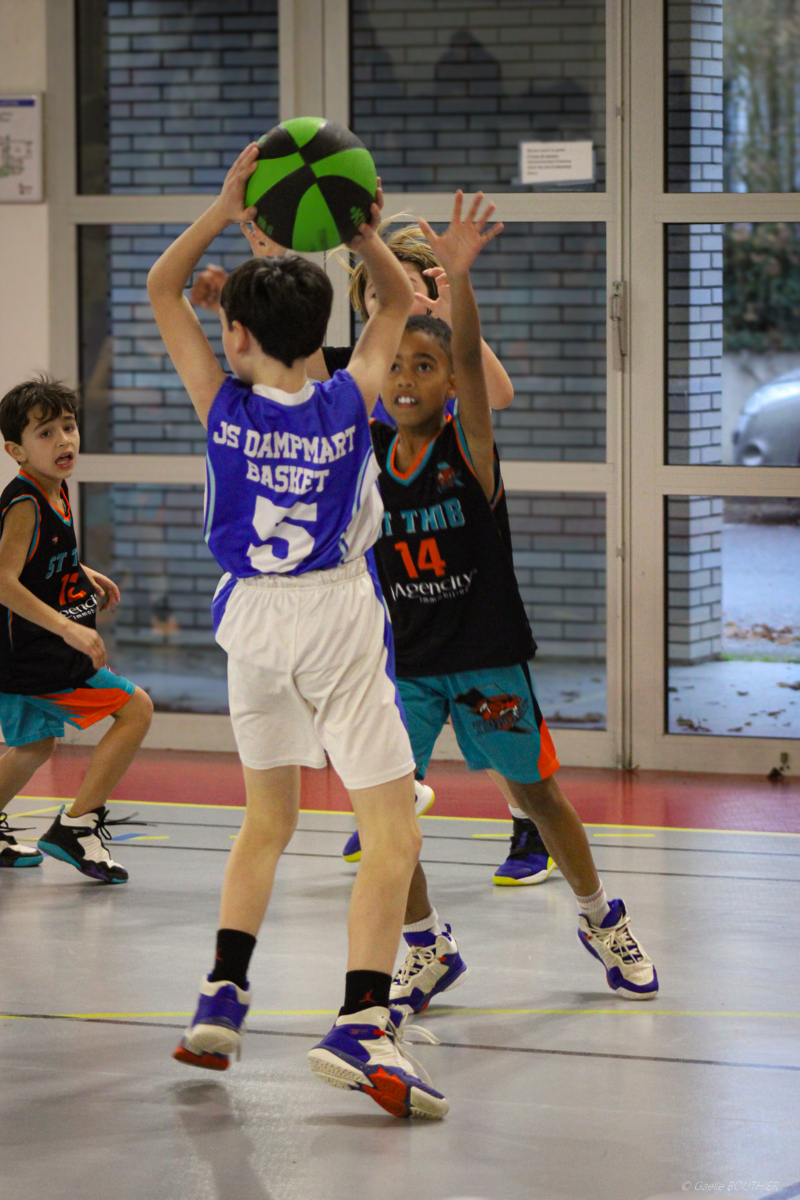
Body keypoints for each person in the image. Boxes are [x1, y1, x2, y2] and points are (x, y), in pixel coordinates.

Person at [147, 144, 448, 1119]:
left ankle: (222, 995)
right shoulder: (347, 400)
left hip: (250, 622)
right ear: (325, 332)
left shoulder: (220, 403)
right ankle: (361, 1021)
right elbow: (398, 301)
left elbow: (160, 288)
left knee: (266, 822)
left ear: (233, 336)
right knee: (392, 830)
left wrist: (222, 206)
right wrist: (363, 230)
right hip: (335, 616)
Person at [191, 217, 555, 887]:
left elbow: (498, 392)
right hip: (386, 556)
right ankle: (392, 807)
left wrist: (449, 310)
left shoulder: (445, 365)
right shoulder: (353, 373)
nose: (399, 303)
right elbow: (288, 359)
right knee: (397, 699)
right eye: (385, 295)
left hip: (458, 543)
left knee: (486, 702)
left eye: (414, 290)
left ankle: (526, 817)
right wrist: (267, 260)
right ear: (365, 306)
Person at [366, 192, 659, 1014]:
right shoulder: (368, 452)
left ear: (450, 383)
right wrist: (356, 246)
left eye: (425, 367)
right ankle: (425, 944)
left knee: (539, 796)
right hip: (410, 665)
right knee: (386, 811)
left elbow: (465, 355)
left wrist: (456, 281)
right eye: (396, 366)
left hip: (487, 657)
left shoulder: (469, 448)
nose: (406, 379)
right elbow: (324, 370)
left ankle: (601, 919)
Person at [0, 377, 153, 881]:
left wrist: (80, 571)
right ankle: (76, 826)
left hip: (20, 652)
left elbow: (33, 561)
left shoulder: (54, 489)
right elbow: (2, 580)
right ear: (16, 450)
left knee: (34, 747)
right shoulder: (25, 502)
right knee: (136, 709)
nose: (64, 440)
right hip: (37, 654)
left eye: (68, 427)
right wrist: (68, 628)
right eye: (46, 433)